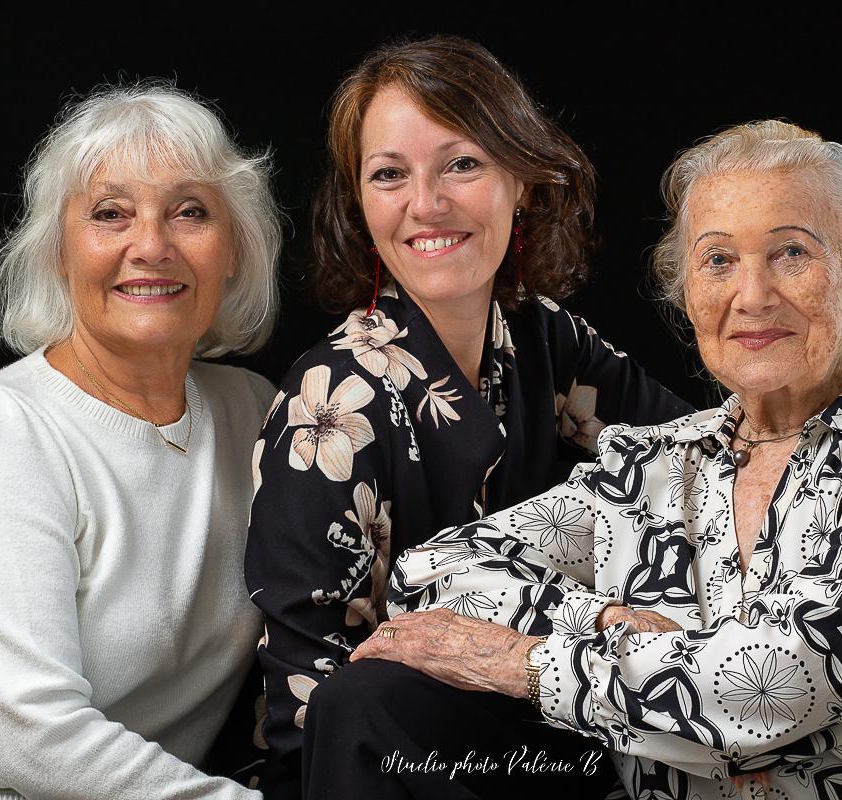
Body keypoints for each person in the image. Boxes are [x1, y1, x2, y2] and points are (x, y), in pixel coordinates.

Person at [347, 120, 842, 799]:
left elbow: (780, 686)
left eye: (792, 252)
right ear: (687, 292)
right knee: (367, 705)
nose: (752, 296)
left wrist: (529, 665)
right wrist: (602, 621)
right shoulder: (651, 464)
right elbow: (431, 575)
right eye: (718, 260)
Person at [245, 35, 693, 795]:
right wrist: (591, 620)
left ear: (521, 180)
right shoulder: (331, 401)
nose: (427, 204)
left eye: (461, 164)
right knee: (362, 700)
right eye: (390, 174)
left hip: (556, 723)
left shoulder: (546, 338)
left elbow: (697, 457)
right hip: (395, 764)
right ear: (360, 203)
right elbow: (310, 705)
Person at [0, 84, 280, 799]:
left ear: (235, 250)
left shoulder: (255, 415)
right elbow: (37, 741)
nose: (152, 246)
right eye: (111, 214)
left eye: (190, 212)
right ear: (59, 254)